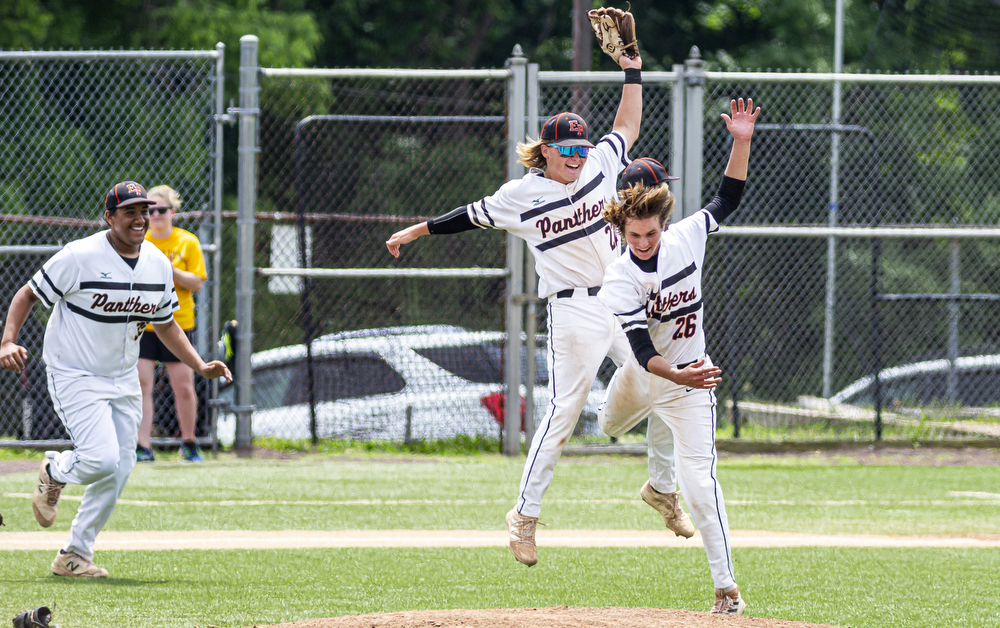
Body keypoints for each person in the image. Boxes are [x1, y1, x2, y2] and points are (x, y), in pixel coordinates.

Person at [385, 50, 693, 567]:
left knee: (671, 378)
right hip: (573, 312)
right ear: (546, 151)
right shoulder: (520, 195)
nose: (577, 154)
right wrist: (417, 230)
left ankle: (661, 488)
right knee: (562, 413)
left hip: (620, 301)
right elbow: (468, 215)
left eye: (581, 145)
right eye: (567, 147)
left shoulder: (600, 163)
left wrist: (632, 69)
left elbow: (628, 123)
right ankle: (524, 517)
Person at [0, 181, 231, 578]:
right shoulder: (80, 255)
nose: (141, 219)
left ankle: (74, 554)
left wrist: (199, 365)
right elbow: (27, 294)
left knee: (121, 466)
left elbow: (167, 325)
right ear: (109, 217)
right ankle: (55, 471)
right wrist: (7, 340)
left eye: (145, 211)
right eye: (130, 212)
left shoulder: (157, 263)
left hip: (122, 376)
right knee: (101, 458)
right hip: (74, 371)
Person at [597, 98, 759, 615]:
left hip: (692, 382)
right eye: (634, 234)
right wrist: (678, 376)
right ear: (621, 230)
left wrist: (741, 140)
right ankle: (657, 485)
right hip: (648, 375)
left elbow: (728, 198)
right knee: (608, 428)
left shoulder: (687, 237)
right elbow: (644, 351)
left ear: (664, 223)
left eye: (651, 231)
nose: (644, 241)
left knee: (702, 485)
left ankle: (726, 590)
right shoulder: (620, 278)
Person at [136, 185, 208, 463]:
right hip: (146, 324)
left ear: (172, 212)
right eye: (150, 210)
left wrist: (171, 269)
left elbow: (197, 282)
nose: (155, 214)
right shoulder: (140, 241)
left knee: (183, 385)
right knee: (143, 385)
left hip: (177, 324)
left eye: (161, 210)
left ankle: (189, 442)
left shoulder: (187, 242)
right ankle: (144, 446)